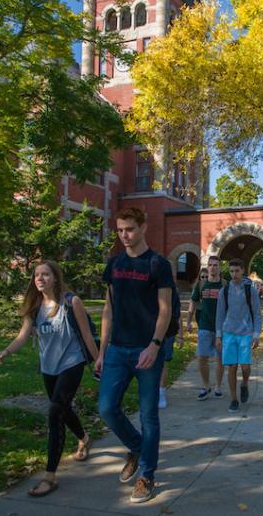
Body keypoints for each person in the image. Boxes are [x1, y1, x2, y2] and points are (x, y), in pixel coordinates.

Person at [0, 260, 98, 498]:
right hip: (49, 367)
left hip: (72, 363)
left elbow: (87, 336)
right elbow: (22, 336)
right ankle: (84, 437)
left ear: (55, 278)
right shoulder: (34, 306)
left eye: (45, 274)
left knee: (54, 414)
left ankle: (49, 477)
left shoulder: (72, 302)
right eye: (36, 275)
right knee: (62, 409)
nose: (39, 278)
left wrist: (99, 362)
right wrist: (6, 352)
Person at [96, 207, 173, 504]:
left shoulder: (158, 264)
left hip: (147, 351)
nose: (124, 235)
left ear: (143, 226)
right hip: (117, 349)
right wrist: (102, 351)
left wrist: (155, 345)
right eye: (119, 230)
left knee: (149, 416)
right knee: (106, 408)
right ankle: (137, 447)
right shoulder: (114, 263)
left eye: (128, 229)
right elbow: (108, 309)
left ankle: (146, 475)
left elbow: (164, 309)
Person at [215, 258, 262, 413]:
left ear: (242, 271)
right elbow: (220, 314)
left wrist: (256, 334)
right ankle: (234, 399)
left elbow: (257, 313)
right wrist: (218, 335)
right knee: (232, 367)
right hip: (229, 333)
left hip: (246, 332)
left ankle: (244, 384)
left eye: (237, 271)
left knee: (246, 367)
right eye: (231, 271)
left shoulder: (251, 290)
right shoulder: (225, 290)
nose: (234, 274)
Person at [186, 255, 224, 400]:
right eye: (210, 265)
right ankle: (206, 385)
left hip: (221, 328)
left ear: (220, 268)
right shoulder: (201, 285)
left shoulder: (225, 285)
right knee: (202, 357)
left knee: (220, 358)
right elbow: (193, 302)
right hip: (204, 326)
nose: (212, 268)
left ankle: (218, 387)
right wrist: (188, 321)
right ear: (207, 267)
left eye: (215, 265)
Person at [158, 284, 184, 409]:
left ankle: (161, 392)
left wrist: (180, 335)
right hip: (148, 329)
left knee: (163, 362)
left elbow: (177, 315)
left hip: (168, 330)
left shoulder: (172, 290)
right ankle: (153, 391)